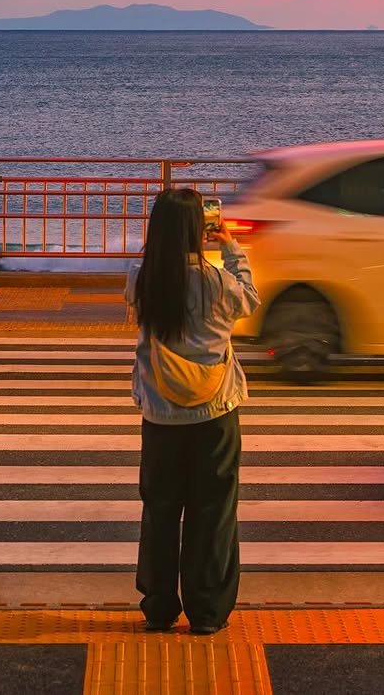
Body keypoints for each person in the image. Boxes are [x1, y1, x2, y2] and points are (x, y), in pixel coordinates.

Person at [126, 187, 260, 636]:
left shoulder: (142, 281)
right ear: (199, 230)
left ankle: (159, 608)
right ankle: (207, 611)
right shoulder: (217, 282)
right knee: (213, 511)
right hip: (214, 411)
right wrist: (231, 247)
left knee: (161, 510)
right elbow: (250, 298)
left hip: (160, 415)